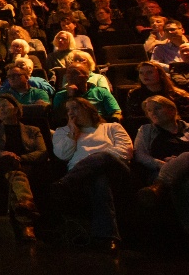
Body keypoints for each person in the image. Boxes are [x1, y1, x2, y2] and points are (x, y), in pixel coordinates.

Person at [133, 96, 189, 258]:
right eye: (149, 110)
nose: (152, 113)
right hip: (168, 174)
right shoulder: (146, 130)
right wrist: (163, 164)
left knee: (187, 156)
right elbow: (140, 155)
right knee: (183, 182)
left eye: (157, 108)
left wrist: (187, 161)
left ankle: (158, 187)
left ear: (172, 110)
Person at [50, 98, 133, 253]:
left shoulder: (111, 127)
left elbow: (125, 151)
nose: (71, 113)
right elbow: (62, 155)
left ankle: (65, 184)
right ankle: (108, 237)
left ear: (88, 108)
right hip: (85, 177)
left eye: (74, 107)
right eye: (68, 111)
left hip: (115, 170)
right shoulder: (62, 132)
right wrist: (72, 136)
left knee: (101, 157)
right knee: (99, 180)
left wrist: (96, 158)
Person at [0, 95, 49, 241]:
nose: (0, 109)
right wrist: (4, 154)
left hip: (28, 166)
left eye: (4, 105)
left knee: (17, 176)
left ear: (16, 108)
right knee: (16, 174)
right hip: (4, 165)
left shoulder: (33, 130)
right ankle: (27, 224)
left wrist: (20, 158)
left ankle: (24, 218)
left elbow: (42, 151)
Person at [51, 60, 122, 124]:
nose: (69, 76)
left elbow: (116, 112)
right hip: (71, 130)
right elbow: (58, 118)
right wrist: (71, 96)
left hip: (99, 126)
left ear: (86, 76)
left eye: (75, 73)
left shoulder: (101, 92)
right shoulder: (60, 95)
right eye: (68, 73)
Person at [123, 62, 189, 119]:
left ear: (160, 75)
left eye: (149, 72)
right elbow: (134, 118)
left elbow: (188, 118)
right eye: (141, 73)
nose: (144, 76)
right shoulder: (135, 94)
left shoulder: (179, 95)